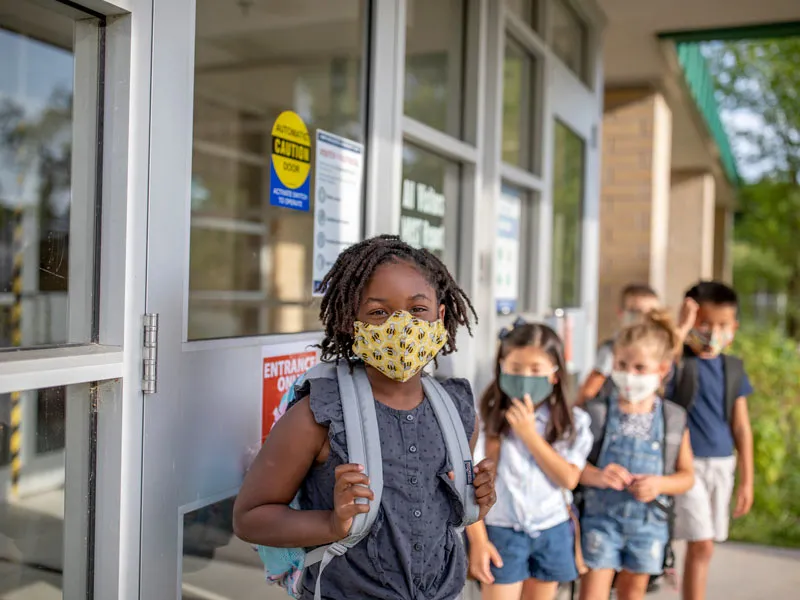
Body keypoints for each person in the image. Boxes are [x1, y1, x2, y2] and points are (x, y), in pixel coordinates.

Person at [233, 235, 497, 600]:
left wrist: (475, 500)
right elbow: (249, 517)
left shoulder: (458, 410)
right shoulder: (318, 415)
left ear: (440, 315)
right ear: (350, 323)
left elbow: (437, 514)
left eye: (417, 310)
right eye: (378, 312)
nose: (401, 326)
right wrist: (331, 523)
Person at [467, 321, 593, 600]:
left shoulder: (572, 423)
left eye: (536, 370)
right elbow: (469, 485)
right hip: (501, 531)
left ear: (555, 374)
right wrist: (479, 541)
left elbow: (569, 478)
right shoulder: (483, 419)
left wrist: (528, 434)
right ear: (500, 368)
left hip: (552, 530)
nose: (525, 377)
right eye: (514, 368)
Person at [578, 310, 695, 600]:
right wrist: (598, 475)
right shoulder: (597, 413)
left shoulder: (673, 418)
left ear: (663, 370)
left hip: (648, 525)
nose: (629, 375)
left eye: (640, 367)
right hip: (600, 523)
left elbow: (687, 476)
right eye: (622, 365)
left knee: (633, 593)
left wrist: (659, 484)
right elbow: (571, 467)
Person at [670, 281, 753, 600]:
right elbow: (664, 360)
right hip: (686, 467)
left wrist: (747, 480)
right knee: (701, 541)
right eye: (704, 323)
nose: (712, 332)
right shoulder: (679, 363)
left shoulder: (733, 368)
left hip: (721, 465)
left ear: (734, 328)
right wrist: (681, 327)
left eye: (722, 325)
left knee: (704, 546)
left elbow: (742, 427)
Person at [578, 284, 661, 403]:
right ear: (621, 313)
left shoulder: (662, 347)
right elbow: (588, 391)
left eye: (652, 314)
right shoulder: (610, 349)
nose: (644, 319)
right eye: (636, 312)